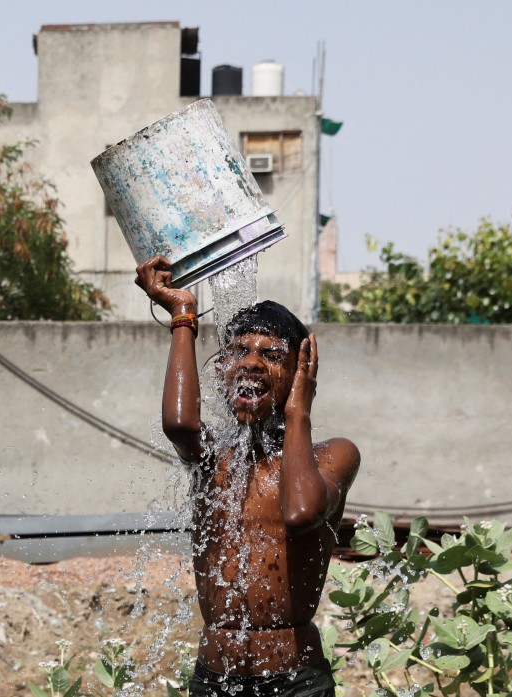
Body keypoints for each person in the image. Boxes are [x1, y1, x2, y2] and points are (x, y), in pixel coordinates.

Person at [135, 255, 361, 697]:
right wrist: (183, 313)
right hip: (214, 680)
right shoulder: (214, 458)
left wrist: (298, 410)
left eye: (272, 355)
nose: (252, 362)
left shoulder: (333, 456)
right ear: (221, 369)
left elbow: (300, 511)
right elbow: (180, 424)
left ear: (301, 376)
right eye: (239, 351)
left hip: (294, 682)